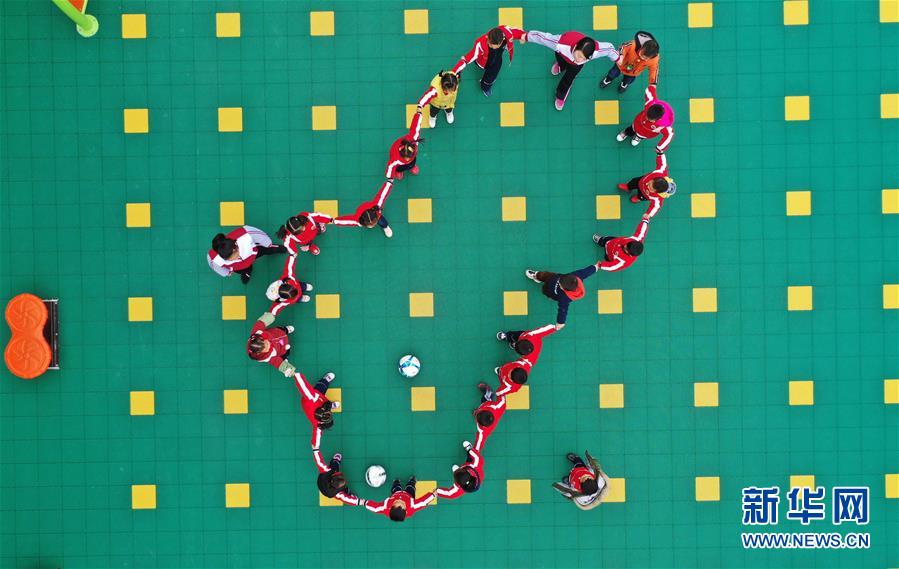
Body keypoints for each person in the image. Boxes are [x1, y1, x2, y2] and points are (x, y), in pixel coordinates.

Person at [525, 30, 619, 110]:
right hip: (562, 54)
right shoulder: (560, 43)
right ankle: (561, 67)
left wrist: (618, 59)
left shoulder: (595, 51)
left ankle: (561, 95)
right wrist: (525, 36)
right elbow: (542, 38)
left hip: (575, 66)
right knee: (561, 62)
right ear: (576, 46)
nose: (579, 59)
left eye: (584, 58)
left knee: (568, 79)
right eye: (578, 55)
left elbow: (609, 49)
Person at [452, 25, 527, 96]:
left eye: (495, 46)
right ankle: (485, 84)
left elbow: (519, 33)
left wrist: (524, 36)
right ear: (488, 38)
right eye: (490, 45)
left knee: (491, 77)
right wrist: (454, 72)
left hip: (497, 60)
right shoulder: (480, 44)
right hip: (484, 62)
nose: (493, 48)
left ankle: (486, 85)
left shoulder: (507, 32)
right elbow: (467, 59)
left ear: (502, 40)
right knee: (487, 77)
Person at [523, 264, 600, 329]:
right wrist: (597, 266)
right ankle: (536, 275)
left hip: (550, 291)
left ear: (566, 290)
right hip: (553, 277)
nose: (559, 283)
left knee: (545, 290)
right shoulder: (577, 276)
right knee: (545, 275)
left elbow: (563, 310)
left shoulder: (564, 298)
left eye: (560, 285)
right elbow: (586, 271)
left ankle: (542, 283)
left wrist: (560, 322)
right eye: (560, 281)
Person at [207, 226, 286, 283]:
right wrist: (226, 272)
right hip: (238, 267)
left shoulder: (245, 235)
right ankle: (247, 272)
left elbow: (258, 235)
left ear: (235, 248)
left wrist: (268, 243)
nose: (235, 259)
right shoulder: (214, 258)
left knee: (266, 249)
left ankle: (275, 248)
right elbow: (213, 263)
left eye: (234, 256)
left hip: (252, 253)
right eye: (228, 259)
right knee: (245, 269)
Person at [616, 85, 674, 152]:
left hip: (646, 133)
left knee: (640, 136)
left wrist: (659, 147)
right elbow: (649, 91)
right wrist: (652, 85)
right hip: (637, 123)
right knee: (631, 128)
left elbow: (669, 134)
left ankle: (638, 137)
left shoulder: (663, 125)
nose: (647, 119)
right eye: (647, 116)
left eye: (650, 119)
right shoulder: (650, 103)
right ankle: (626, 132)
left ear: (657, 119)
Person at [617, 152, 675, 218]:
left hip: (644, 194)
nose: (648, 184)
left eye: (650, 187)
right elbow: (662, 164)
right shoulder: (660, 172)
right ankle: (628, 187)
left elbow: (655, 207)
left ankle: (638, 198)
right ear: (655, 179)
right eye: (650, 182)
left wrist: (649, 214)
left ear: (656, 192)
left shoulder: (657, 198)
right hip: (640, 181)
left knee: (640, 197)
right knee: (632, 182)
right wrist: (660, 153)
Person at [247, 312, 296, 376]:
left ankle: (285, 330)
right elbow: (277, 362)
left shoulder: (257, 332)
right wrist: (286, 369)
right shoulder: (268, 357)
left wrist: (269, 316)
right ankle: (284, 358)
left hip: (276, 333)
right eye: (265, 347)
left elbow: (261, 323)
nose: (268, 344)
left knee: (281, 330)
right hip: (281, 348)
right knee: (285, 352)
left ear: (260, 338)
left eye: (265, 341)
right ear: (260, 353)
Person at [365, 476, 435, 521]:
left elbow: (375, 508)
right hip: (409, 495)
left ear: (391, 507)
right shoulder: (412, 506)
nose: (400, 500)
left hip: (396, 493)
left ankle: (396, 482)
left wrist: (364, 502)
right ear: (405, 510)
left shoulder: (385, 507)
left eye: (396, 502)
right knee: (410, 487)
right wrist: (433, 495)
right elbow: (423, 502)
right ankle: (412, 481)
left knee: (396, 487)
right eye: (403, 503)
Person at [385, 109, 424, 181]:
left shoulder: (413, 139)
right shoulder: (395, 158)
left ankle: (412, 166)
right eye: (407, 158)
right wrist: (390, 177)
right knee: (399, 168)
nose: (408, 159)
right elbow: (390, 166)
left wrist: (418, 113)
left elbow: (415, 126)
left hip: (411, 159)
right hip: (400, 164)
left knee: (412, 162)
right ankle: (399, 171)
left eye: (410, 156)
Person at [472, 382, 507, 451]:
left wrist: (472, 452)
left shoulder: (482, 432)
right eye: (478, 412)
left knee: (483, 400)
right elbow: (502, 395)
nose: (478, 412)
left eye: (477, 415)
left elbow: (478, 446)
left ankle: (488, 395)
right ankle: (489, 393)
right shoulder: (499, 406)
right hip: (488, 403)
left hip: (485, 405)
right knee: (485, 400)